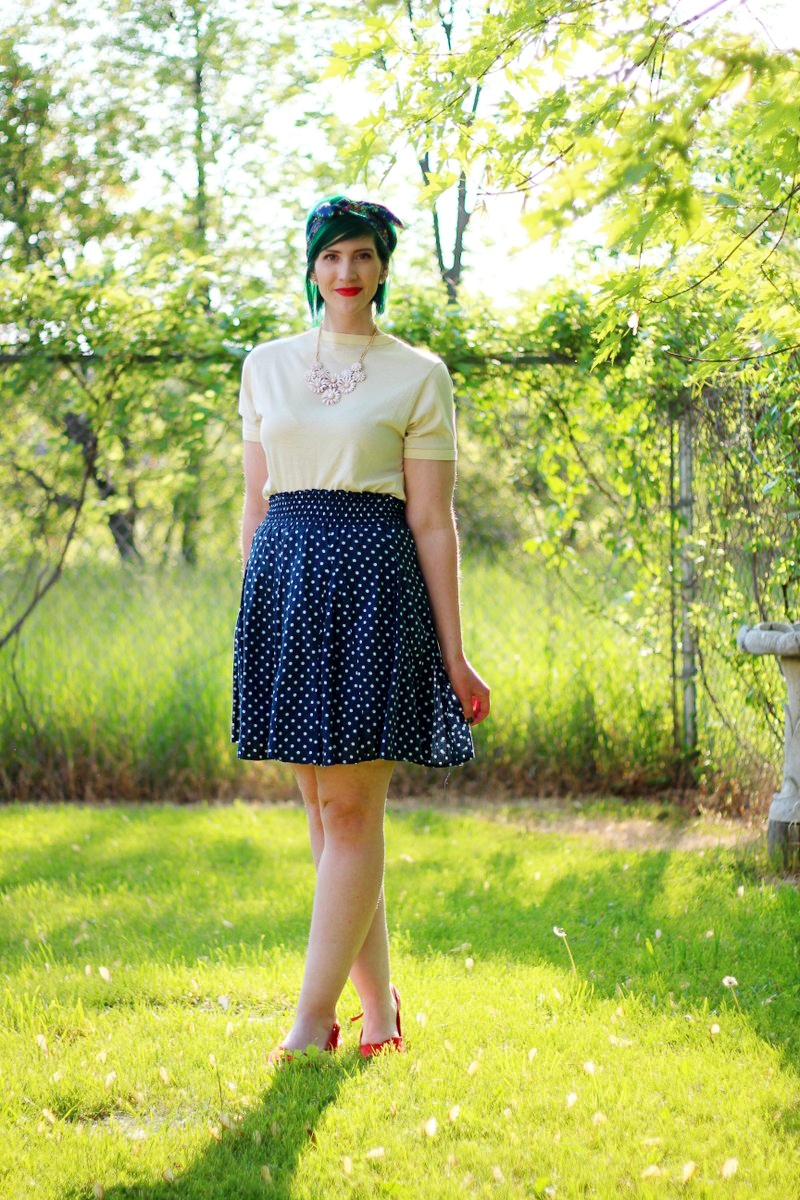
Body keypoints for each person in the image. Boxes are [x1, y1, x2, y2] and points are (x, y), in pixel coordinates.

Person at [232, 195, 490, 1061]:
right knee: (325, 809)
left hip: (377, 584)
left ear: (383, 267)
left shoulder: (418, 373)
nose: (347, 272)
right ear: (311, 267)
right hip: (287, 584)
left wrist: (455, 653)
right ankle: (380, 1016)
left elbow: (433, 521)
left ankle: (311, 1025)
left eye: (363, 256)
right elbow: (255, 500)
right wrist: (254, 607)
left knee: (348, 810)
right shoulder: (264, 365)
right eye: (332, 255)